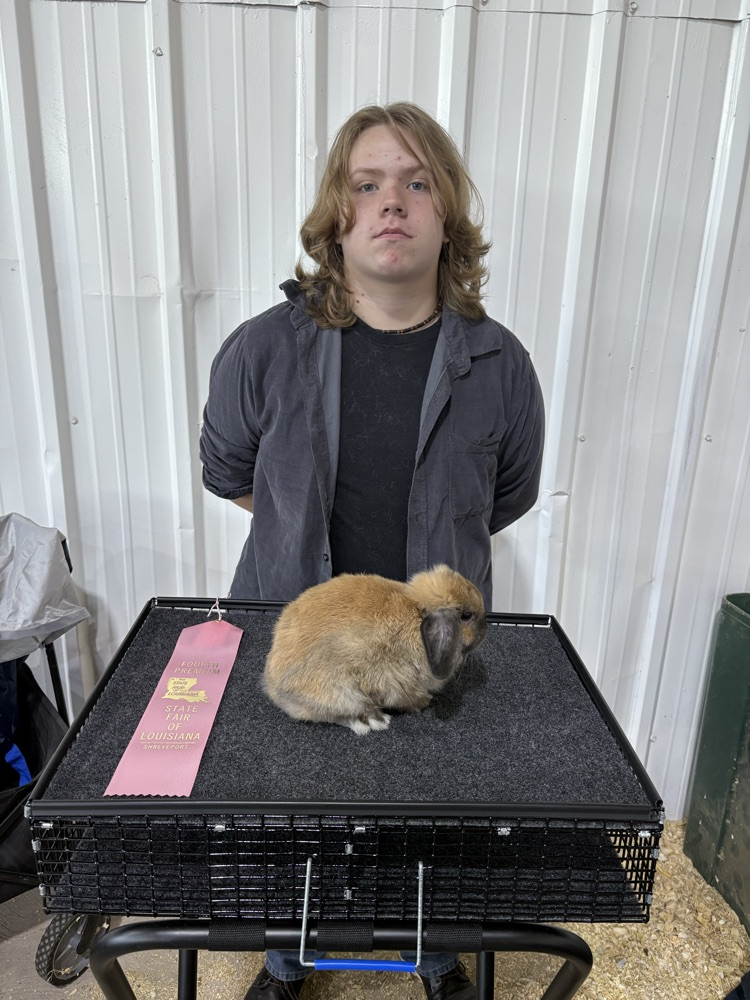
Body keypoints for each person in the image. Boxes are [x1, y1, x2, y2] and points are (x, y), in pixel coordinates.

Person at [200, 102, 545, 1000]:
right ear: (336, 216)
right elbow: (226, 469)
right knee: (294, 805)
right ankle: (287, 955)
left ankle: (432, 952)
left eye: (417, 183)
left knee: (429, 809)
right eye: (367, 184)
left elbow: (507, 496)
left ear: (447, 215)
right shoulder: (260, 351)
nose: (392, 202)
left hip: (429, 655)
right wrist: (303, 550)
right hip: (299, 630)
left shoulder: (501, 366)